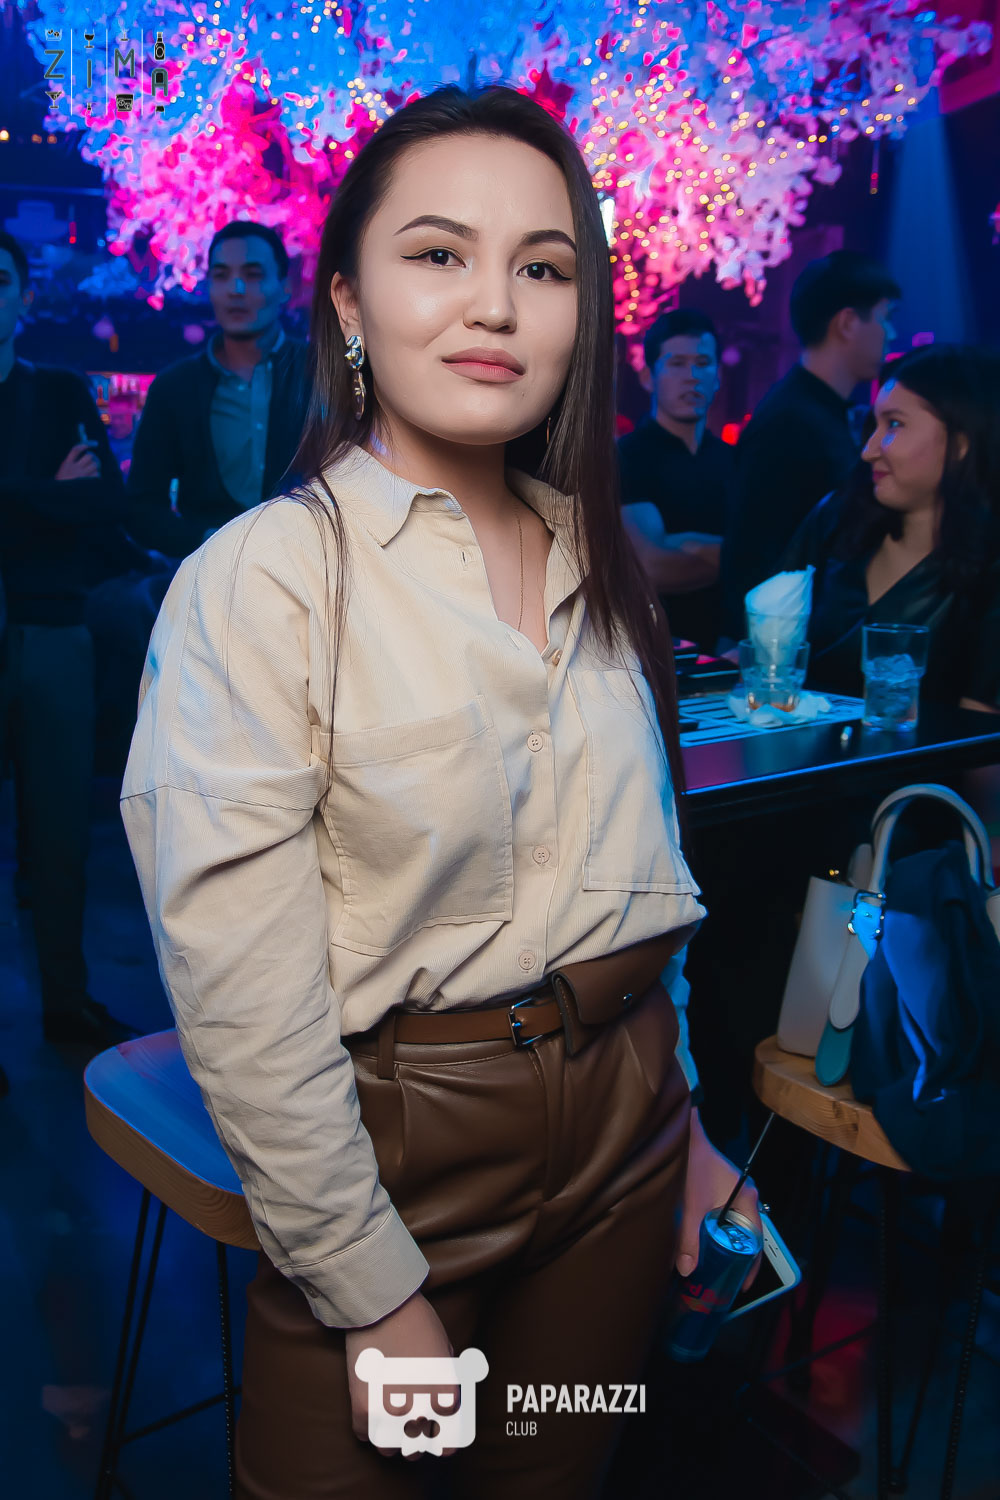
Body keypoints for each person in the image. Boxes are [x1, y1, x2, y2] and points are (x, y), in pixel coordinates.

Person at [121, 86, 761, 1500]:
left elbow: (635, 872)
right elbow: (241, 988)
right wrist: (365, 1285)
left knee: (554, 1474)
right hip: (400, 1155)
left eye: (544, 267)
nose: (495, 305)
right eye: (438, 254)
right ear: (349, 304)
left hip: (630, 1124)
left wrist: (688, 1129)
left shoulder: (603, 563)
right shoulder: (267, 581)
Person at [0, 229, 135, 1050]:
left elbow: (105, 502)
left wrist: (27, 501)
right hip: (40, 613)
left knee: (60, 839)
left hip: (54, 631)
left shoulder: (58, 391)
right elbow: (67, 505)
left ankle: (65, 1003)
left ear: (23, 295)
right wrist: (42, 493)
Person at [782, 344, 1000, 710]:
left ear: (961, 442)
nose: (868, 450)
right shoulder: (837, 518)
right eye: (874, 424)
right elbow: (761, 646)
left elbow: (981, 736)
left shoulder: (990, 567)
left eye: (894, 424)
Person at [721, 250, 901, 639]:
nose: (892, 334)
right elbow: (754, 549)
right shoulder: (788, 420)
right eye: (885, 317)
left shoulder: (825, 412)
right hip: (780, 646)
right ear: (847, 323)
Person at [124, 220, 311, 558]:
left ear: (285, 287)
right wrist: (207, 542)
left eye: (253, 275)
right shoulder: (175, 387)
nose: (235, 289)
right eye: (221, 275)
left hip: (310, 567)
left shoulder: (323, 374)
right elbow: (142, 508)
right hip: (206, 573)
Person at [618, 308, 736, 650]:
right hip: (649, 650)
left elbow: (769, 555)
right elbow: (652, 565)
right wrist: (739, 555)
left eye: (703, 363)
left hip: (727, 652)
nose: (692, 376)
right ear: (648, 377)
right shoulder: (626, 456)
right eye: (677, 363)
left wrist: (687, 544)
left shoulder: (736, 460)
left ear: (718, 376)